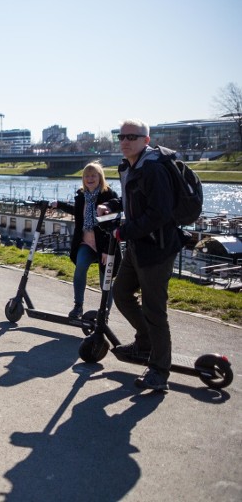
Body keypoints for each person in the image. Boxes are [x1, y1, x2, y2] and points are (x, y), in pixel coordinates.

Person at [97, 119, 182, 392]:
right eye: (120, 136)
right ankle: (145, 342)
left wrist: (125, 230)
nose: (124, 141)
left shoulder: (154, 169)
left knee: (154, 310)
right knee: (121, 294)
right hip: (136, 246)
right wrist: (111, 204)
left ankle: (159, 371)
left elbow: (160, 213)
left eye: (131, 137)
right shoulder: (130, 166)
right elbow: (132, 201)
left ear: (146, 140)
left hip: (157, 248)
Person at [51, 161, 120, 319]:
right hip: (86, 243)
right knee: (80, 269)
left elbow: (113, 225)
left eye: (93, 175)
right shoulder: (82, 196)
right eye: (87, 176)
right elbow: (76, 211)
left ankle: (104, 314)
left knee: (106, 281)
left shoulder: (109, 196)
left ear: (100, 177)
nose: (90, 178)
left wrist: (106, 250)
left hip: (105, 246)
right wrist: (59, 204)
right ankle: (78, 307)